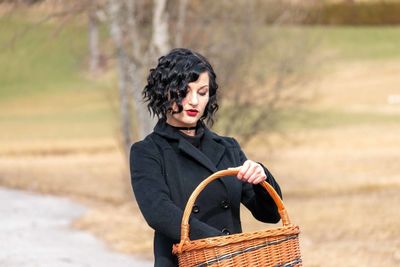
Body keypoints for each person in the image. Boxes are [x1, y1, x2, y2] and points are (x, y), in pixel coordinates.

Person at [130, 48, 282, 267]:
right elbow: (159, 212)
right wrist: (221, 243)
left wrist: (261, 176)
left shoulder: (228, 147)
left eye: (202, 92)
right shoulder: (147, 151)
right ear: (164, 92)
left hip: (230, 263)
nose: (193, 101)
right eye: (184, 91)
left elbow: (270, 215)